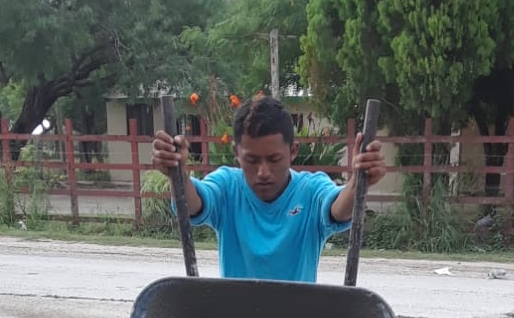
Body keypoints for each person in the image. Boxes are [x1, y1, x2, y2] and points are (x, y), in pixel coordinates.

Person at [151, 95, 386, 281]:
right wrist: (178, 172)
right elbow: (192, 205)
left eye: (274, 159)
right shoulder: (227, 187)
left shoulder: (311, 190)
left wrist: (357, 182)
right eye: (252, 160)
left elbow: (339, 209)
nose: (263, 172)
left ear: (292, 151)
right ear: (236, 154)